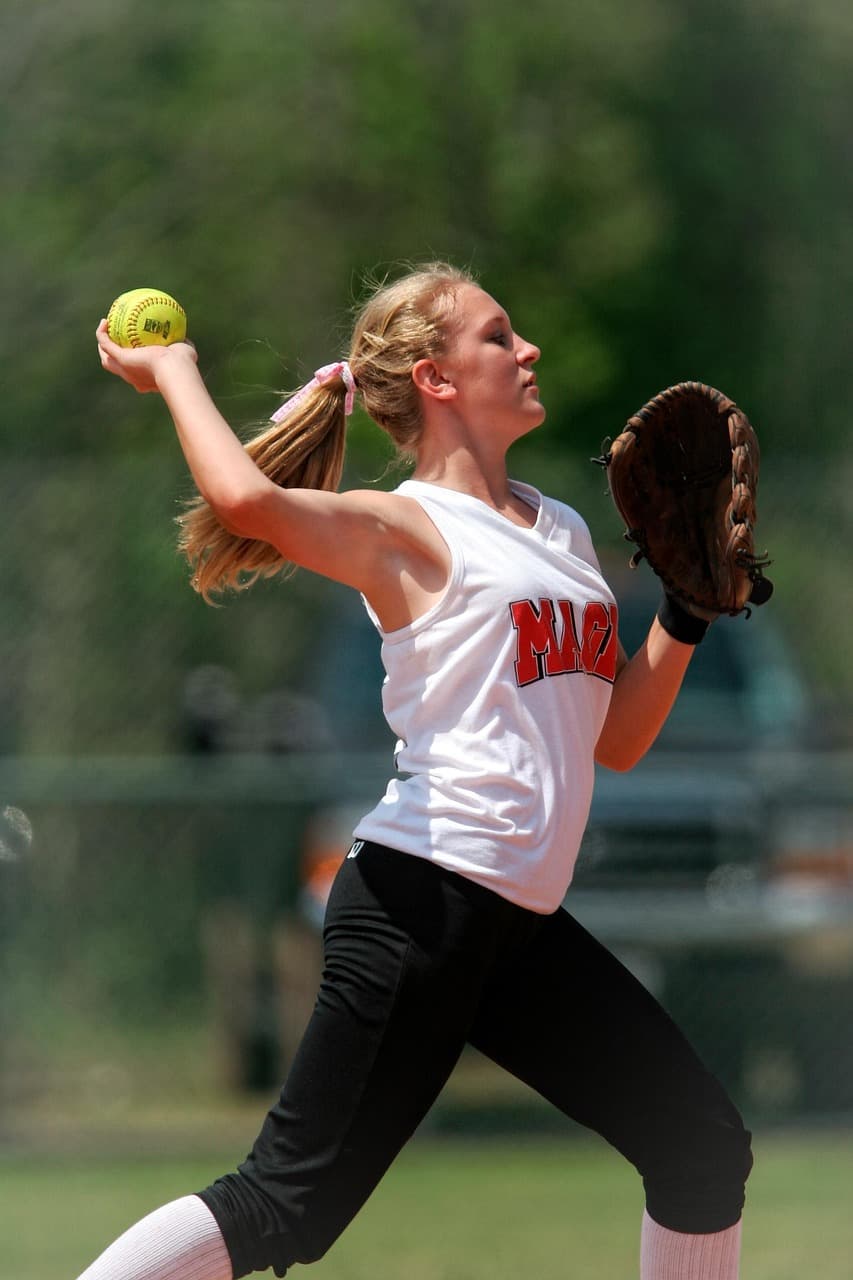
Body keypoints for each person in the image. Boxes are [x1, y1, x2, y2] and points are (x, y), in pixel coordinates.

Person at [86, 262, 752, 1280]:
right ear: (437, 378)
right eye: (498, 335)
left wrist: (686, 612)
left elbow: (612, 737)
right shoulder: (405, 529)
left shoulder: (562, 529)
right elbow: (244, 498)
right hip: (421, 900)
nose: (525, 350)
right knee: (283, 1202)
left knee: (700, 1144)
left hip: (516, 924)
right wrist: (175, 367)